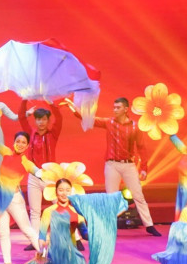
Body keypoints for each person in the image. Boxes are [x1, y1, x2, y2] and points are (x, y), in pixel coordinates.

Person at [67, 97, 161, 236]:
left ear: (125, 109)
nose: (115, 110)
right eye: (114, 107)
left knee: (138, 195)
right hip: (112, 165)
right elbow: (88, 119)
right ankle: (109, 226)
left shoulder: (135, 126)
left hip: (128, 165)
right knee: (111, 198)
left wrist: (143, 168)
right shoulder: (109, 122)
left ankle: (149, 225)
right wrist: (73, 107)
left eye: (118, 107)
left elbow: (141, 148)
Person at [0, 128, 42, 264]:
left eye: (23, 142)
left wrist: (53, 175)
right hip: (1, 199)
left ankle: (47, 255)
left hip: (14, 200)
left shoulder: (26, 163)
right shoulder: (6, 152)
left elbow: (40, 173)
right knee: (3, 233)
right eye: (18, 141)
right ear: (14, 142)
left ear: (27, 146)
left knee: (27, 230)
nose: (20, 144)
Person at [18, 99, 63, 234]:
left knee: (60, 206)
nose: (41, 122)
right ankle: (35, 240)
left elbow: (59, 118)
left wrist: (50, 103)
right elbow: (21, 117)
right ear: (35, 121)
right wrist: (25, 99)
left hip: (50, 176)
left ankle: (74, 237)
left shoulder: (53, 134)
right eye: (38, 119)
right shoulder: (30, 134)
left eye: (44, 119)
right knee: (35, 211)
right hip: (34, 177)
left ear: (48, 121)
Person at [37, 179, 86, 254]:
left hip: (72, 254)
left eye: (67, 190)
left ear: (71, 192)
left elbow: (85, 234)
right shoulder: (48, 211)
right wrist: (42, 251)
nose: (64, 193)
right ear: (56, 192)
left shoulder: (77, 211)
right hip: (54, 254)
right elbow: (42, 235)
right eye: (61, 190)